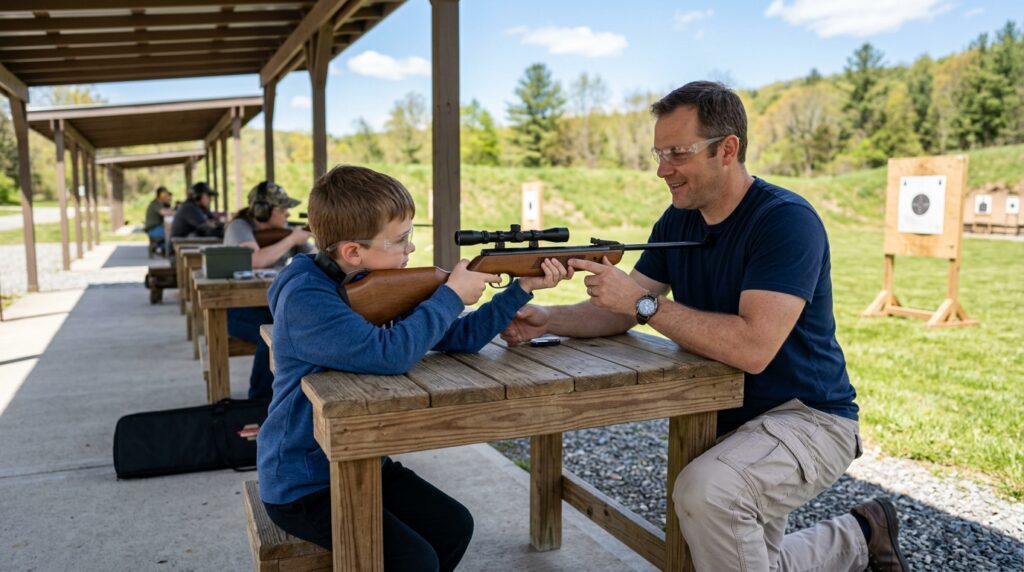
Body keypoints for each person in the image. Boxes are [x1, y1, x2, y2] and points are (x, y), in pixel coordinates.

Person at [501, 81, 909, 572]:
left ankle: (863, 535)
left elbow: (753, 346)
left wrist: (646, 305)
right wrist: (548, 318)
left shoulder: (786, 221)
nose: (662, 169)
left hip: (809, 417)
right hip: (728, 417)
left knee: (707, 494)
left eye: (677, 152)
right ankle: (863, 535)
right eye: (658, 152)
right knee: (743, 555)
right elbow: (618, 310)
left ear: (728, 149)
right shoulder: (679, 219)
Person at [257, 164, 569, 571]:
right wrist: (452, 294)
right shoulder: (308, 300)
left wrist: (519, 288)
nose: (411, 250)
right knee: (415, 560)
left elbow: (460, 337)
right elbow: (392, 354)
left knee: (454, 526)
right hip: (304, 483)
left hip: (361, 459)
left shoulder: (365, 281)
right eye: (401, 240)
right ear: (353, 251)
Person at [222, 181, 314, 401]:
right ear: (262, 211)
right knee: (272, 335)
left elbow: (314, 257)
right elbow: (255, 260)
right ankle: (258, 401)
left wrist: (314, 237)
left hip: (269, 306)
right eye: (282, 209)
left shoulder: (284, 231)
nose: (287, 213)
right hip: (238, 310)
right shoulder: (239, 227)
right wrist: (291, 238)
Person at [143, 186, 175, 253]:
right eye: (165, 195)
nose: (167, 196)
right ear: (161, 195)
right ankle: (166, 251)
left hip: (156, 228)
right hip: (153, 229)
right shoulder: (155, 203)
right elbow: (164, 212)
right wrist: (177, 212)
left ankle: (162, 248)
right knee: (171, 233)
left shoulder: (160, 203)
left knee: (171, 232)